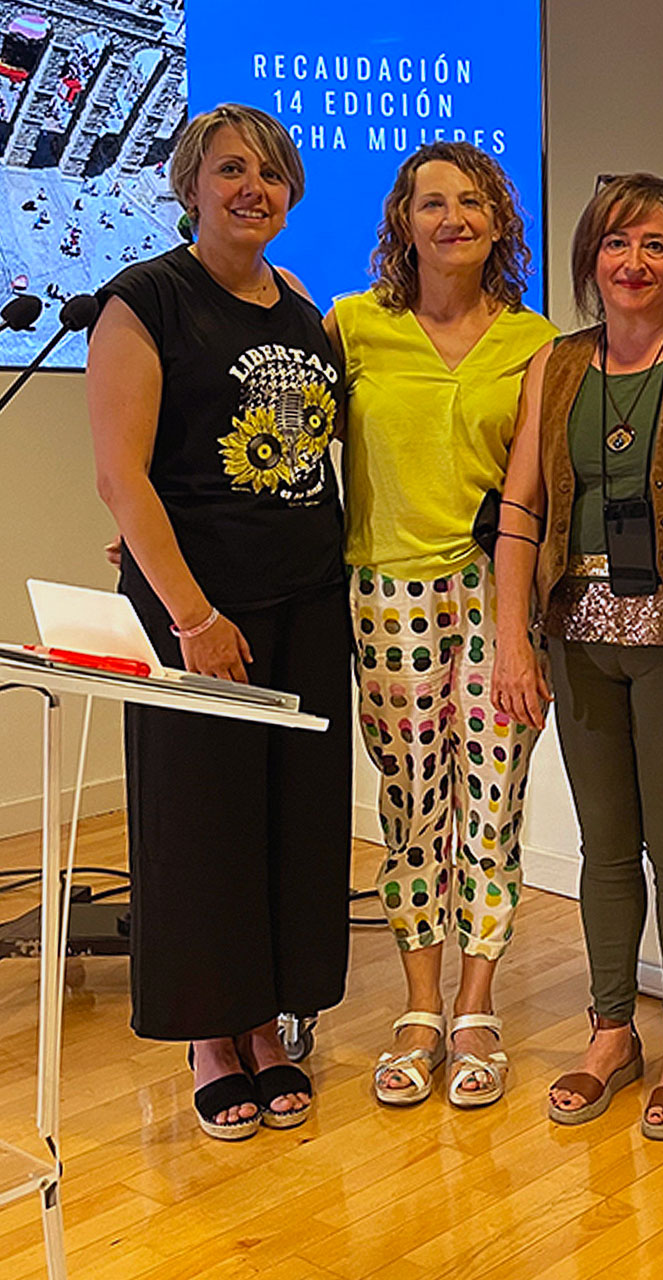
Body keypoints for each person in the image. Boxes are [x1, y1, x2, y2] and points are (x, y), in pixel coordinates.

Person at [88, 103, 350, 1140]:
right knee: (202, 826)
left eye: (273, 174)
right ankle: (212, 1033)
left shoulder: (300, 306)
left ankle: (271, 1021)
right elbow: (122, 476)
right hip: (198, 617)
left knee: (291, 817)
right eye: (232, 170)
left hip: (306, 602)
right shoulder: (144, 300)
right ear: (190, 184)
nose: (255, 188)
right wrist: (192, 615)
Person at [491, 173, 663, 1139]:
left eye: (653, 244)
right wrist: (511, 638)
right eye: (616, 244)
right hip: (576, 635)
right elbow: (522, 505)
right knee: (604, 847)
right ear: (589, 261)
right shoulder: (554, 365)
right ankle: (612, 1031)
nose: (634, 263)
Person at [326, 142, 556, 1109]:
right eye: (432, 203)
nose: (452, 217)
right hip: (388, 596)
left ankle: (474, 1006)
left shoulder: (534, 342)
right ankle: (418, 1005)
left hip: (492, 595)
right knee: (412, 801)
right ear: (403, 222)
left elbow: (532, 496)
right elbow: (282, 457)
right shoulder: (351, 327)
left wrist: (520, 634)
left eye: (471, 202)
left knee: (492, 803)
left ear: (500, 222)